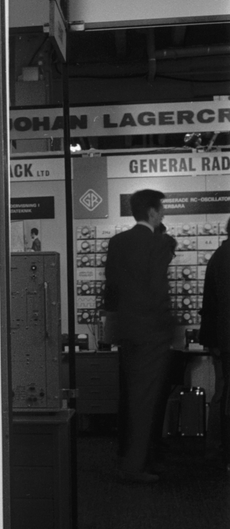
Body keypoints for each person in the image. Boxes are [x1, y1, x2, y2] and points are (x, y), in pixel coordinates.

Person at [103, 188, 177, 483]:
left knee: (131, 397)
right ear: (152, 212)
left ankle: (129, 458)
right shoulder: (158, 243)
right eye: (161, 210)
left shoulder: (117, 242)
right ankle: (135, 467)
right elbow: (158, 291)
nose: (163, 214)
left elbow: (111, 287)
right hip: (151, 334)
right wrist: (168, 326)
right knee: (145, 402)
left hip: (127, 331)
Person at [199, 218, 230, 469]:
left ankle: (215, 447)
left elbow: (210, 304)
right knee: (223, 394)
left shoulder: (219, 256)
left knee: (221, 392)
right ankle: (219, 448)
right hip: (225, 340)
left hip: (222, 340)